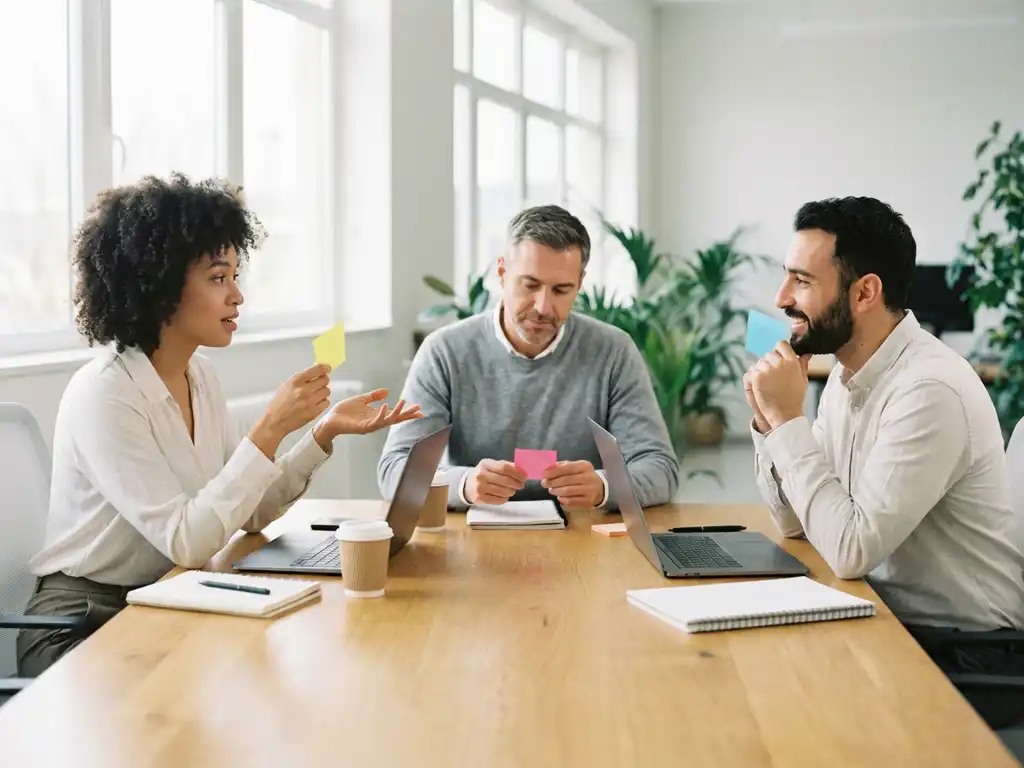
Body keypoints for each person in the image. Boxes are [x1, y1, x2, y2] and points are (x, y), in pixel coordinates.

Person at [18, 174, 421, 676]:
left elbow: (249, 513)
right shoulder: (105, 394)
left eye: (235, 276)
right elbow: (187, 540)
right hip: (79, 622)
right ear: (161, 286)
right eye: (217, 277)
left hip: (162, 595)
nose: (237, 296)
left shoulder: (200, 376)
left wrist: (322, 434)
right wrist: (269, 429)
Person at [744, 195, 1024, 727]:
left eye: (801, 280)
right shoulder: (845, 380)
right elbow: (796, 522)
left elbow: (850, 550)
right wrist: (767, 421)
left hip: (965, 652)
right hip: (887, 616)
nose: (781, 298)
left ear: (865, 291)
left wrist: (786, 421)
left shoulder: (928, 390)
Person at [378, 204, 679, 512]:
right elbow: (394, 470)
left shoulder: (614, 351)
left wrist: (603, 487)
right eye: (530, 285)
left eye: (561, 290)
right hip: (475, 540)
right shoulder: (444, 351)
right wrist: (465, 485)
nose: (544, 307)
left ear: (580, 284)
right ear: (502, 273)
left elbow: (660, 469)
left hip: (582, 538)